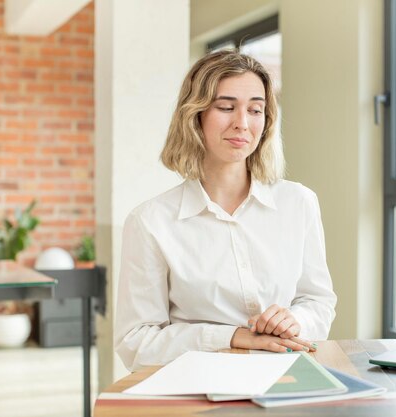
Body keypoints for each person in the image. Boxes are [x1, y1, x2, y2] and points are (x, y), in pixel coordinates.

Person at [115, 50, 337, 371]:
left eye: (255, 109)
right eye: (226, 107)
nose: (242, 124)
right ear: (195, 115)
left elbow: (318, 302)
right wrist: (232, 337)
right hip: (196, 382)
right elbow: (136, 342)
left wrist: (294, 320)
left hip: (285, 375)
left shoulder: (299, 203)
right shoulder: (150, 222)